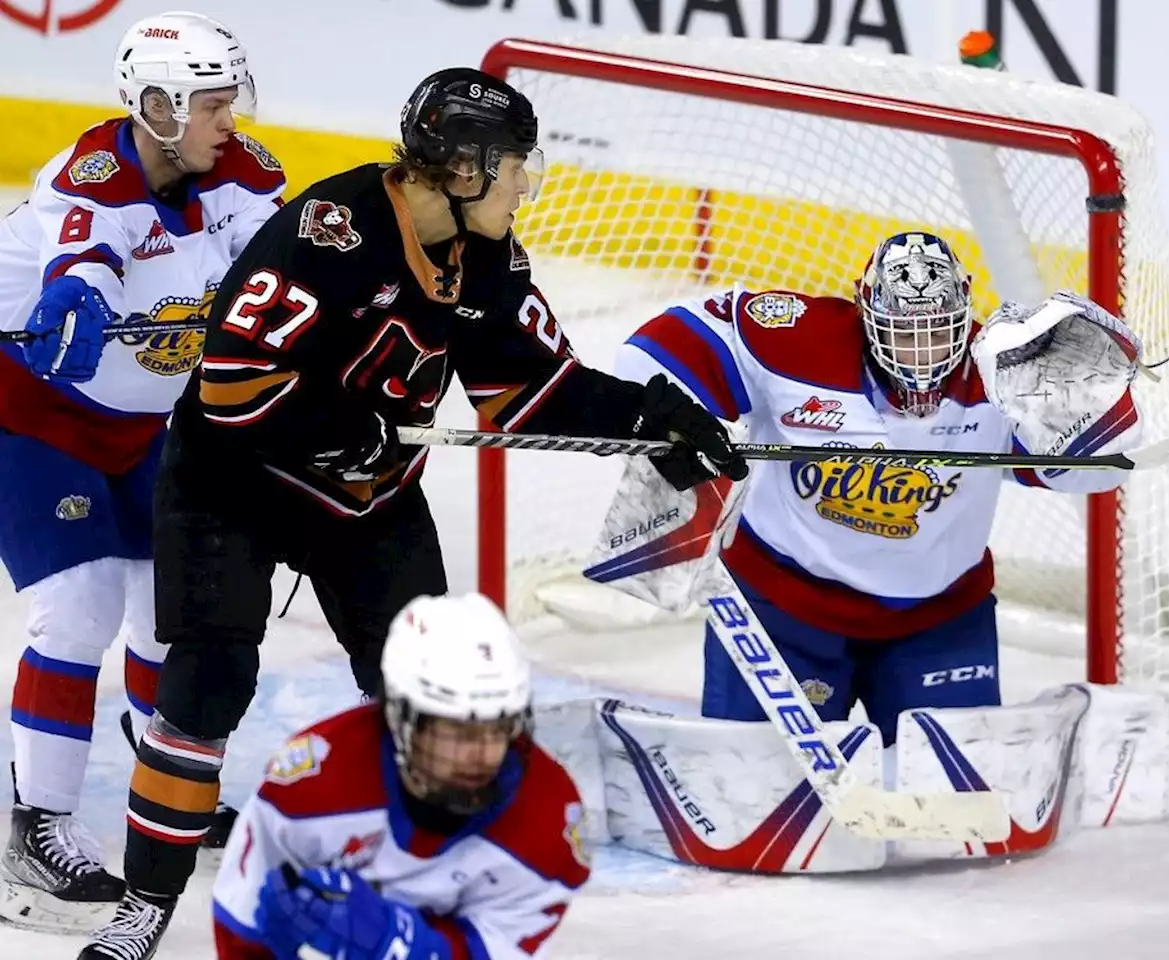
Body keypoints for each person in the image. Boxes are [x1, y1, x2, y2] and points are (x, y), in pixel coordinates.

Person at [80, 66, 745, 959]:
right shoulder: (331, 232)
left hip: (368, 496)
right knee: (207, 685)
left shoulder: (491, 261)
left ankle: (404, 894)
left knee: (417, 692)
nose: (523, 182)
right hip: (231, 481)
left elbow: (531, 394)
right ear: (461, 166)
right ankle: (144, 907)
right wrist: (337, 425)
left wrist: (650, 417)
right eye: (511, 165)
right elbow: (233, 385)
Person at [616, 231, 1144, 744]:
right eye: (901, 332)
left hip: (940, 624)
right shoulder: (796, 340)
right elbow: (649, 352)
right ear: (865, 314)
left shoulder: (1002, 377)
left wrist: (1099, 407)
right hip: (782, 611)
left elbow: (1094, 472)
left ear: (965, 320)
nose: (921, 354)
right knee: (751, 791)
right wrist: (672, 417)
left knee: (951, 809)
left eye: (938, 331)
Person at [0, 11, 283, 932]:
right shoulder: (92, 180)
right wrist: (76, 292)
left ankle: (170, 784)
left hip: (150, 421)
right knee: (80, 607)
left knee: (179, 608)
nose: (227, 119)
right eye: (209, 103)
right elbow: (85, 258)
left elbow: (285, 273)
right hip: (34, 417)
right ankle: (34, 828)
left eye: (230, 99)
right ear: (156, 106)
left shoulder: (243, 172)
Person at [210, 592, 588, 960]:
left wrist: (398, 940)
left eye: (499, 726)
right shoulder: (310, 789)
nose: (485, 753)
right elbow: (241, 929)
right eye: (458, 731)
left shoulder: (549, 821)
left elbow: (493, 949)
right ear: (402, 719)